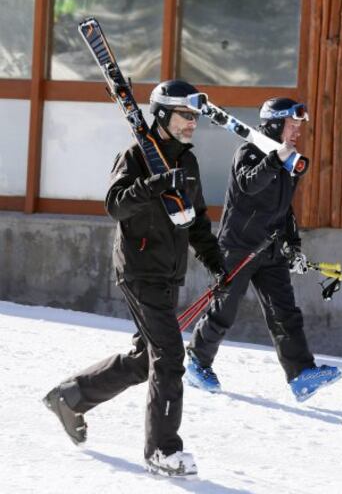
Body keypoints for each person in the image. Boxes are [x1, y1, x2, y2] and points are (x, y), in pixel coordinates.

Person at [43, 80, 227, 477]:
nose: (192, 123)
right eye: (185, 115)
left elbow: (194, 221)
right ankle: (162, 449)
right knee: (170, 355)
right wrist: (154, 185)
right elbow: (115, 205)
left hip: (167, 272)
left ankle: (71, 396)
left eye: (195, 116)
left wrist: (216, 262)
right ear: (162, 115)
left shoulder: (187, 163)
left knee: (147, 358)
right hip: (140, 268)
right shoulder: (135, 156)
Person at [186, 97, 342, 402]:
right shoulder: (249, 152)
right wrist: (275, 158)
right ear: (273, 123)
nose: (297, 130)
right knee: (225, 310)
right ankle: (197, 362)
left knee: (285, 312)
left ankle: (301, 374)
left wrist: (293, 244)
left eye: (299, 125)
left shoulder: (288, 161)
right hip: (237, 247)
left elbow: (284, 209)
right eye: (291, 124)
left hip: (270, 248)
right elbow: (249, 184)